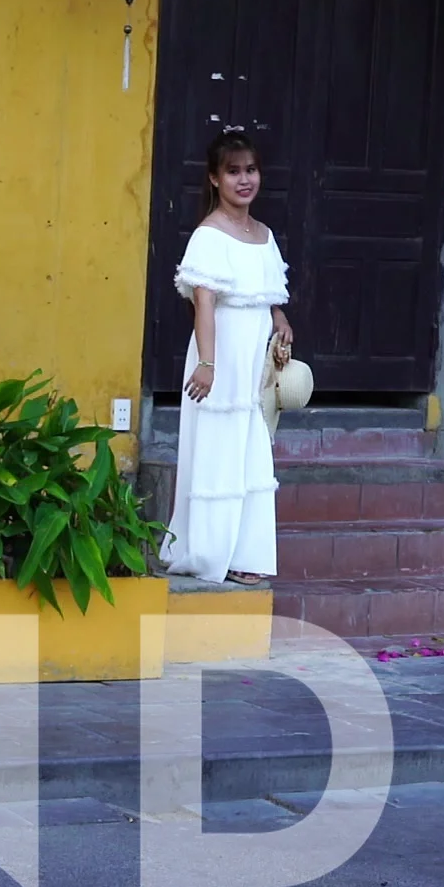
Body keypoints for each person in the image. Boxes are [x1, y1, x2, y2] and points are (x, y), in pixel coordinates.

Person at [168, 130, 295, 586]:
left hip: (252, 359)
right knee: (219, 452)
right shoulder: (209, 234)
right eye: (234, 171)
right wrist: (207, 363)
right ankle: (210, 553)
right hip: (218, 356)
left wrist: (279, 319)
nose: (244, 180)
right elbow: (204, 303)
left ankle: (248, 554)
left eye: (251, 170)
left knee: (249, 451)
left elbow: (265, 292)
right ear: (215, 178)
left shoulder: (263, 234)